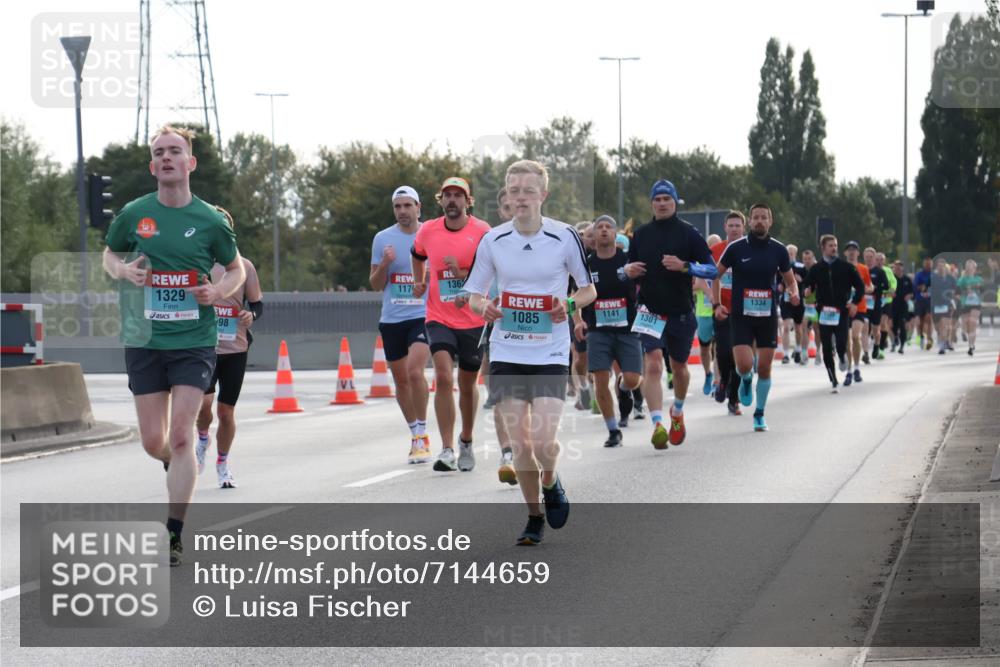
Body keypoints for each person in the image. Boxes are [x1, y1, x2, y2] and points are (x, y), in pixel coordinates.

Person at [102, 125, 244, 566]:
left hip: (193, 340)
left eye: (174, 151)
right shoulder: (134, 214)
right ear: (152, 166)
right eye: (159, 152)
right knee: (153, 441)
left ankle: (173, 533)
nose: (166, 158)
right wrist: (124, 272)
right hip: (144, 338)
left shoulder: (210, 220)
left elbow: (236, 269)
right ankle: (175, 464)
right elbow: (109, 256)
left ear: (190, 163)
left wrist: (218, 292)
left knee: (183, 436)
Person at [465, 159, 596, 545]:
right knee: (520, 444)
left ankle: (551, 481)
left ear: (543, 194)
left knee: (542, 443)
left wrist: (570, 306)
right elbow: (473, 295)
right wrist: (482, 307)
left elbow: (588, 290)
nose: (520, 197)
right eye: (514, 190)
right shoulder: (493, 240)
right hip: (507, 350)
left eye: (528, 190)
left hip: (551, 352)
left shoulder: (564, 236)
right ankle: (534, 515)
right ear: (506, 196)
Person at [625, 179, 717, 448]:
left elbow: (712, 270)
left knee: (679, 367)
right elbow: (628, 272)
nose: (662, 203)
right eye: (658, 199)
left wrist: (685, 266)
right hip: (649, 310)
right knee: (652, 363)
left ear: (674, 202)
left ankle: (677, 411)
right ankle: (656, 424)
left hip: (680, 312)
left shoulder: (689, 233)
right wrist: (626, 272)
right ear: (652, 204)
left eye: (667, 199)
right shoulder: (641, 234)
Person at [411, 177, 491, 472]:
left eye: (459, 195)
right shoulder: (428, 230)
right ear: (440, 200)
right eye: (448, 195)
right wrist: (420, 281)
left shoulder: (483, 231)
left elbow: (493, 267)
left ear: (468, 201)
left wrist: (465, 274)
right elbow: (417, 255)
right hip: (438, 316)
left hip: (473, 317)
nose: (453, 200)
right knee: (443, 376)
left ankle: (466, 441)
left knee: (468, 384)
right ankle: (446, 448)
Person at [713, 204, 798, 432]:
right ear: (749, 221)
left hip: (767, 315)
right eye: (756, 217)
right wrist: (716, 303)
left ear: (770, 222)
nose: (759, 221)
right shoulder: (736, 248)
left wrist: (795, 292)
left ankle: (759, 414)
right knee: (743, 365)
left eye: (764, 217)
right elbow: (715, 275)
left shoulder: (779, 250)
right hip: (741, 315)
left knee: (765, 368)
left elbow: (790, 280)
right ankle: (745, 380)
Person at [195, 210, 262, 488]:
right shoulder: (197, 265)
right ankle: (201, 437)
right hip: (204, 346)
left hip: (236, 347)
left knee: (226, 412)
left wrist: (251, 316)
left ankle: (223, 463)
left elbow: (257, 303)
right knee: (204, 405)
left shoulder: (244, 266)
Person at [370, 185, 432, 464]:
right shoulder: (383, 239)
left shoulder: (430, 234)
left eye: (408, 206)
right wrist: (384, 264)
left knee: (415, 371)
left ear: (419, 208)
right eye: (398, 207)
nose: (403, 212)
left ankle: (423, 432)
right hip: (392, 317)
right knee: (401, 381)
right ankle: (415, 434)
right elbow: (374, 284)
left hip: (424, 314)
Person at [573, 215, 643, 447]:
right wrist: (577, 320)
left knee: (633, 379)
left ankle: (624, 389)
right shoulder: (587, 265)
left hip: (627, 329)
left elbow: (644, 289)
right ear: (593, 235)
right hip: (597, 330)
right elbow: (575, 296)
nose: (603, 231)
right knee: (600, 379)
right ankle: (613, 430)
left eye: (608, 227)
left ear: (615, 234)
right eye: (599, 228)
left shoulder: (628, 262)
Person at [803, 235, 864, 393]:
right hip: (823, 312)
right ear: (823, 248)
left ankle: (843, 356)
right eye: (830, 245)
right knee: (827, 347)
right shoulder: (816, 269)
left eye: (835, 245)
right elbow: (807, 285)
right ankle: (833, 379)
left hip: (841, 311)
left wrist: (854, 302)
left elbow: (860, 287)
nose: (834, 248)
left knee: (842, 341)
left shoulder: (846, 267)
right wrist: (807, 291)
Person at [710, 211, 746, 414]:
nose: (734, 229)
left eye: (737, 226)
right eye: (730, 225)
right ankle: (723, 379)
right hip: (721, 309)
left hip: (744, 311)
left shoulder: (750, 249)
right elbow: (709, 277)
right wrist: (715, 304)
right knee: (723, 352)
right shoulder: (715, 250)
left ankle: (734, 400)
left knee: (738, 357)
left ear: (743, 228)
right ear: (725, 227)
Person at [842, 241, 873, 386]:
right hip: (844, 307)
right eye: (849, 250)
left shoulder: (863, 268)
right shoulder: (840, 268)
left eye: (854, 249)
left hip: (860, 307)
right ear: (845, 253)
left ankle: (857, 368)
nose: (852, 252)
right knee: (847, 341)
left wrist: (869, 288)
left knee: (855, 336)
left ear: (858, 253)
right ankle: (848, 371)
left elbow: (869, 284)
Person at [693, 233, 721, 394]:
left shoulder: (725, 262)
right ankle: (708, 374)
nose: (714, 248)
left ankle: (717, 381)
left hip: (720, 310)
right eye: (711, 245)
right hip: (703, 311)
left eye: (717, 244)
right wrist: (711, 293)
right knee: (705, 348)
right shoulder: (700, 262)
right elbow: (697, 283)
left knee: (719, 347)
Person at [778, 244, 807, 365]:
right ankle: (785, 354)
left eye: (792, 253)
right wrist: (779, 286)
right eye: (788, 252)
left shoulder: (801, 267)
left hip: (798, 300)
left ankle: (798, 350)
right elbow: (776, 282)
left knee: (798, 328)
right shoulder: (780, 266)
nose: (790, 255)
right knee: (785, 327)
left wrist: (801, 280)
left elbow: (809, 282)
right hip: (785, 300)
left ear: (795, 253)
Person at [930, 258, 958, 355]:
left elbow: (956, 291)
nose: (941, 268)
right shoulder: (932, 277)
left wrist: (954, 301)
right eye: (939, 266)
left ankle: (942, 346)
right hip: (935, 305)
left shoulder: (951, 279)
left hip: (947, 304)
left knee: (944, 325)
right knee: (938, 327)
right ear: (937, 267)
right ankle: (944, 340)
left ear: (945, 267)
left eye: (943, 266)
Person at [957, 259, 984, 355]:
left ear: (975, 269)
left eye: (971, 267)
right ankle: (964, 332)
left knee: (972, 323)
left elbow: (983, 290)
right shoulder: (962, 280)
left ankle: (971, 346)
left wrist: (978, 287)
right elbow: (957, 292)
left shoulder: (979, 279)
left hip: (976, 303)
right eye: (967, 267)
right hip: (965, 303)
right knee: (966, 323)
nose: (969, 269)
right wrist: (964, 292)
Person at [801, 249, 823, 365]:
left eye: (809, 259)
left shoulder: (819, 269)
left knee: (816, 329)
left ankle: (818, 352)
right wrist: (804, 292)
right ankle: (804, 353)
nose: (807, 261)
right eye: (805, 259)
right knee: (803, 327)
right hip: (806, 304)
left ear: (813, 258)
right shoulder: (801, 270)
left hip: (816, 304)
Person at [890, 260, 915, 353]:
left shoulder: (907, 279)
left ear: (902, 268)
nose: (898, 269)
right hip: (893, 305)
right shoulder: (892, 279)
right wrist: (890, 294)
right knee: (893, 326)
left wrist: (909, 295)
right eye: (896, 267)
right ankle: (895, 337)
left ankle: (902, 346)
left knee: (902, 325)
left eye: (900, 267)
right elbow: (887, 290)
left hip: (903, 306)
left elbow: (912, 292)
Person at [913, 257, 934, 349]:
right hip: (920, 300)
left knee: (929, 319)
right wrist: (922, 287)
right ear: (923, 264)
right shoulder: (919, 274)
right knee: (920, 321)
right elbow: (915, 286)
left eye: (929, 264)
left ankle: (929, 338)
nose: (928, 266)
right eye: (926, 264)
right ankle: (921, 336)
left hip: (930, 300)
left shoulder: (934, 274)